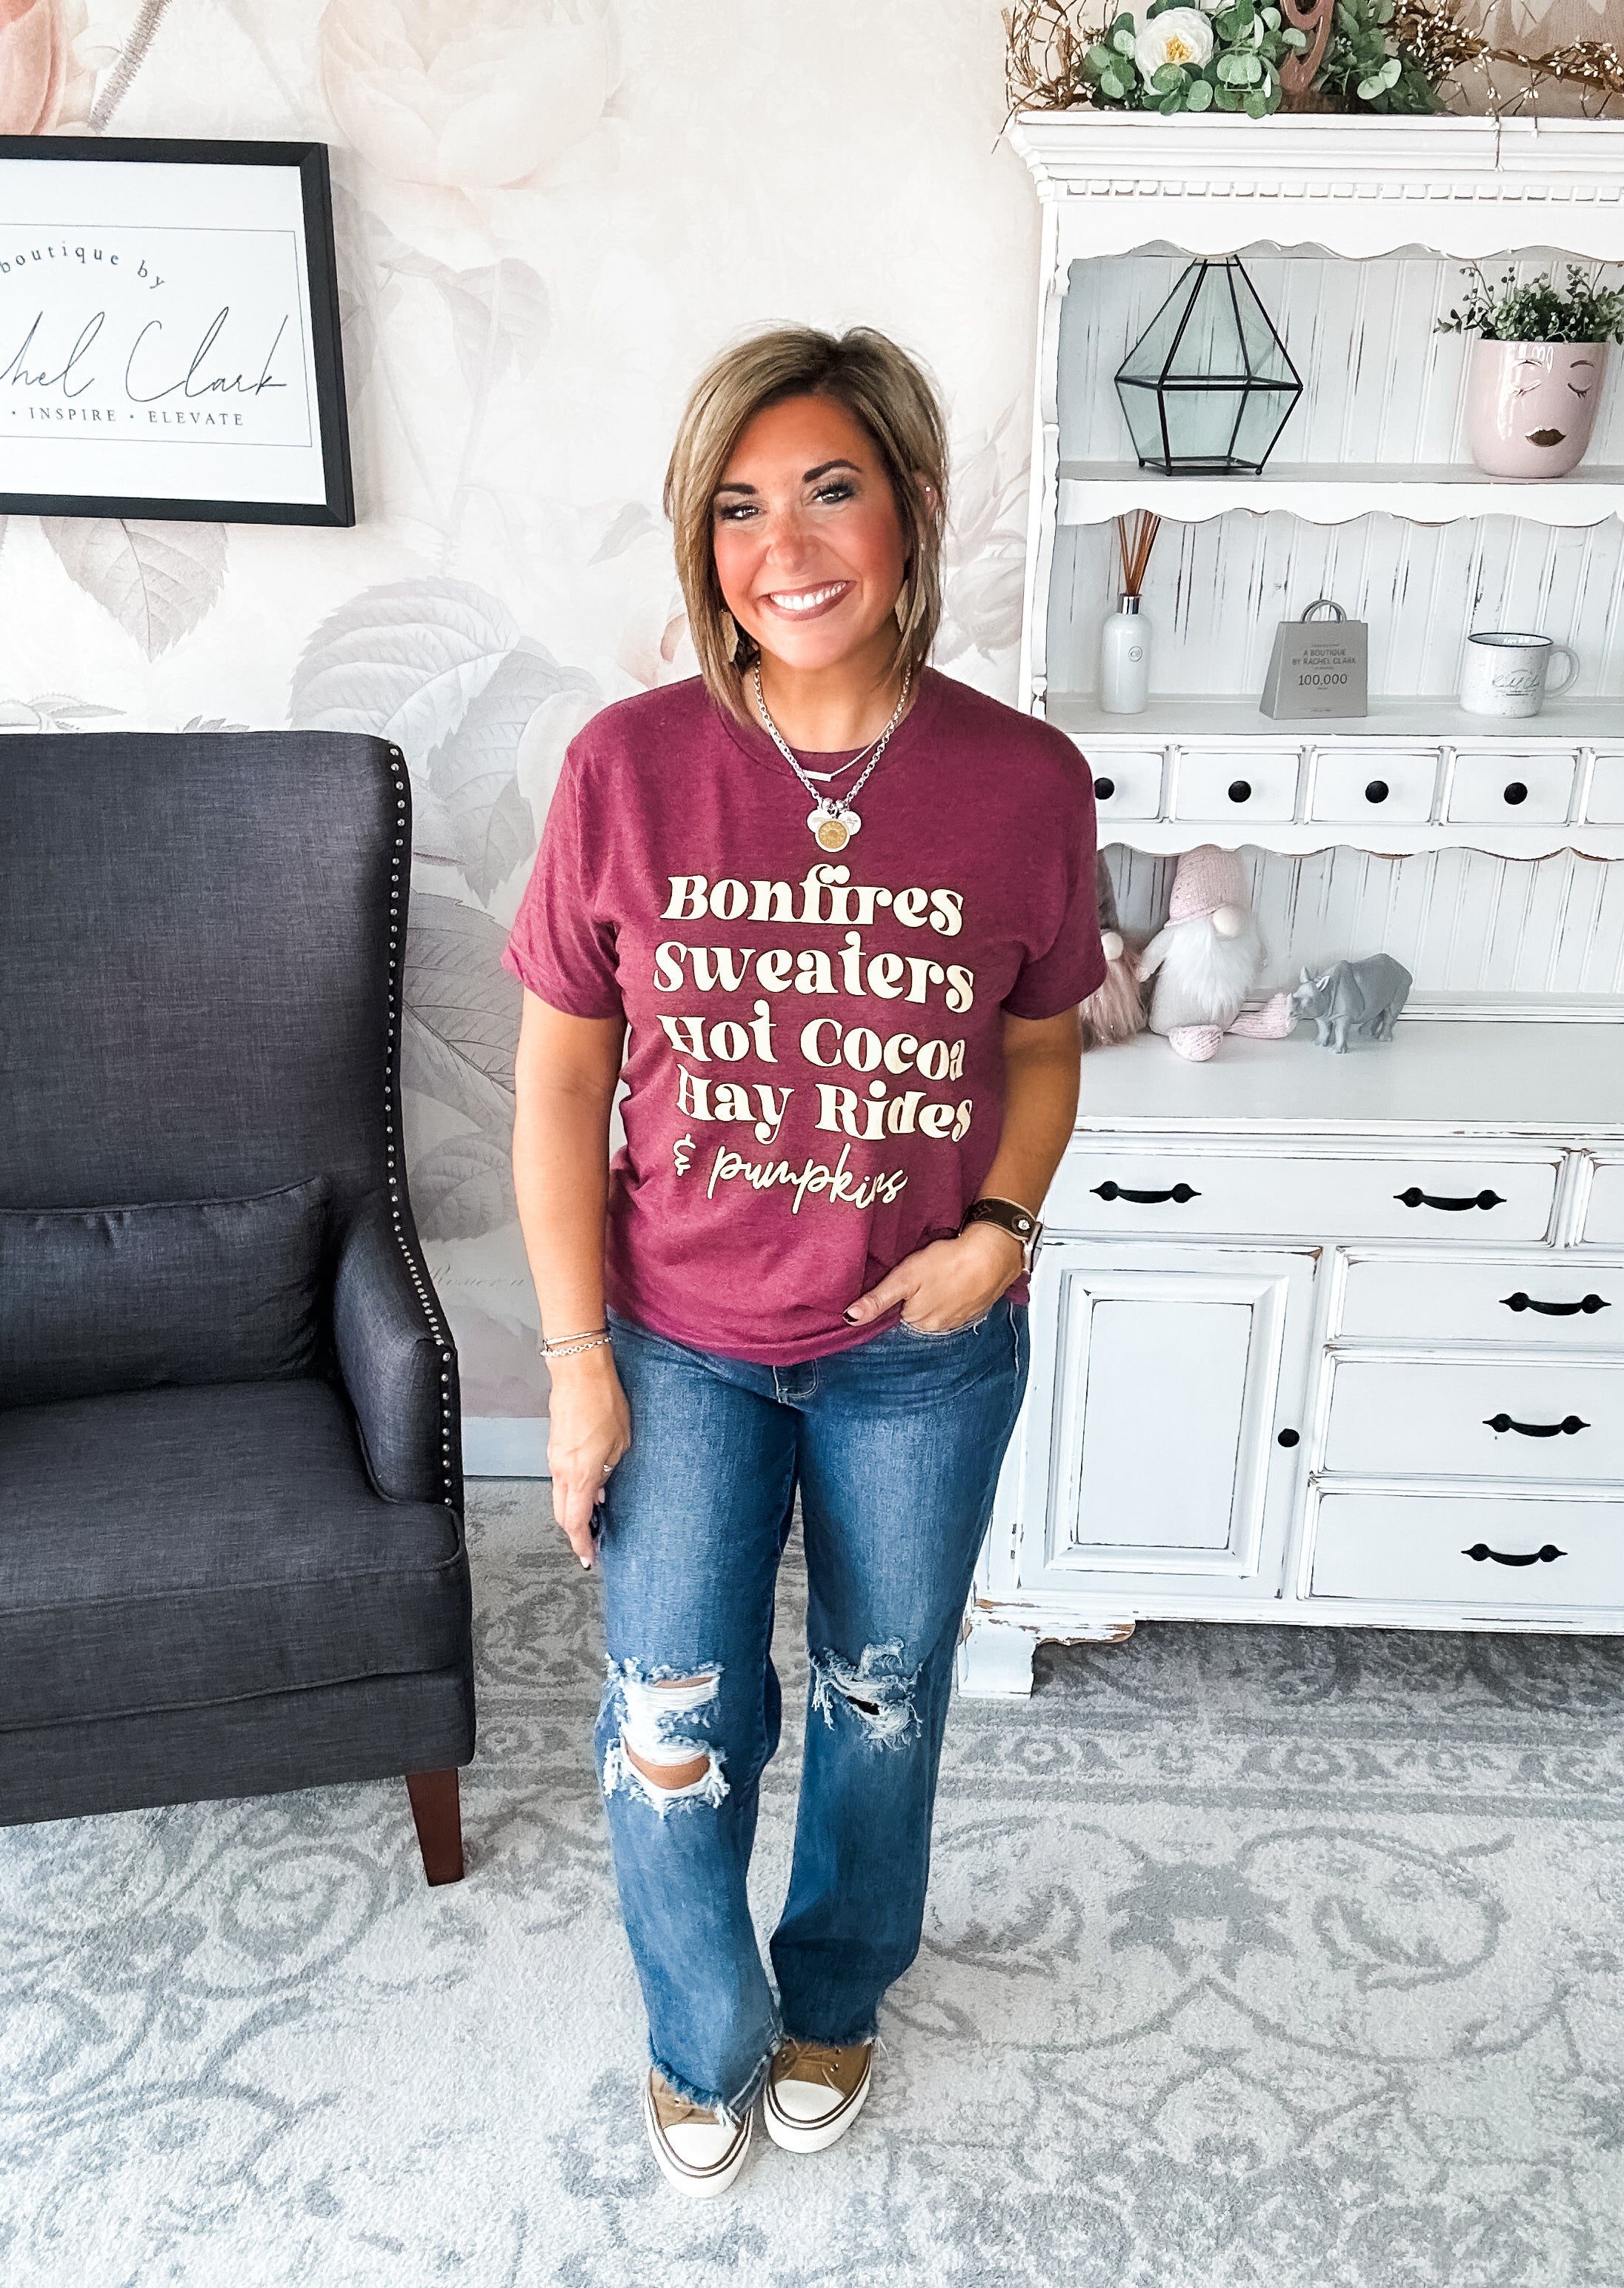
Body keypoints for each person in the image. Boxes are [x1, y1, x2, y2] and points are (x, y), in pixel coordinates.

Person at [506, 324, 1103, 2197]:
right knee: (672, 1712)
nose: (788, 544)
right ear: (704, 543)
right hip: (677, 1335)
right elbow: (557, 1085)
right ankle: (705, 2032)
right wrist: (577, 1359)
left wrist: (999, 1231)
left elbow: (1039, 1040)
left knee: (878, 1688)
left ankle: (837, 1987)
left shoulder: (1021, 780)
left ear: (910, 506)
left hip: (916, 1347)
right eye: (742, 505)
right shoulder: (631, 767)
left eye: (829, 486)